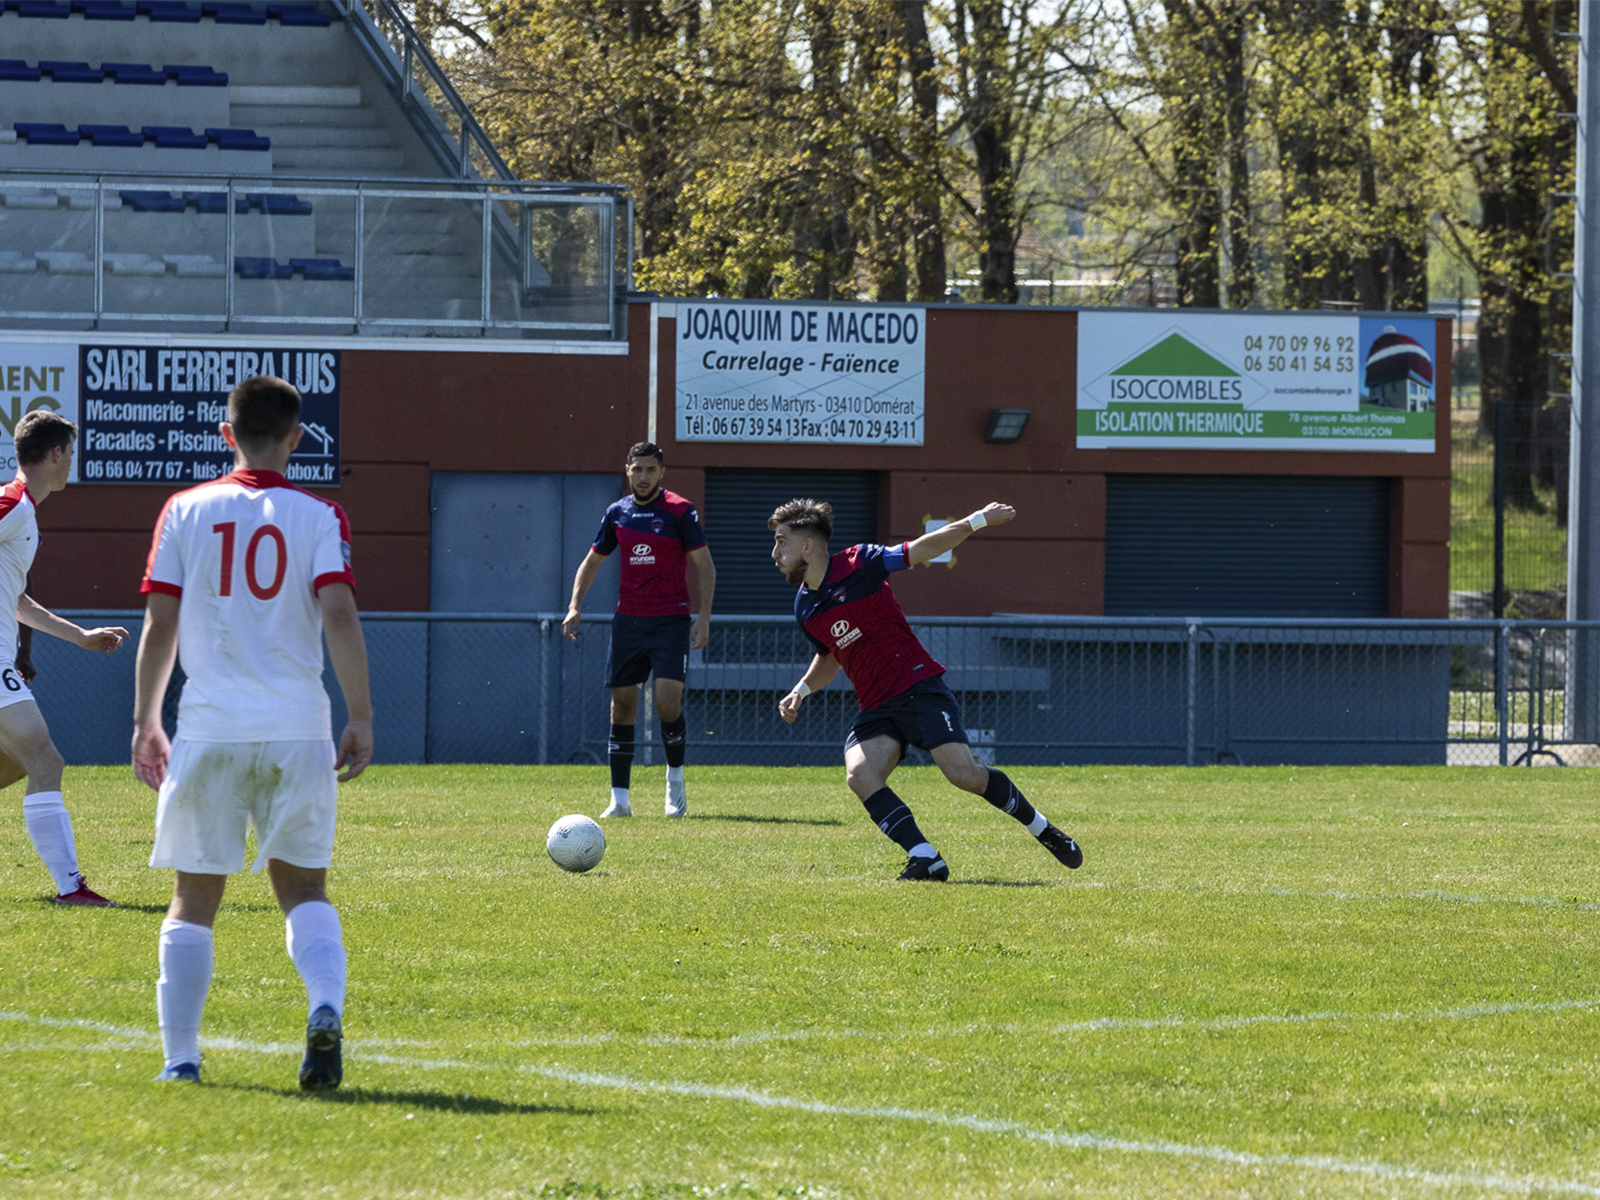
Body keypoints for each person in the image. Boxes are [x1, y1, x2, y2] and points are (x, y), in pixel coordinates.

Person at [132, 375, 374, 1089]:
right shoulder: (322, 516)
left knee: (194, 896)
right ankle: (324, 1006)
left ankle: (181, 1060)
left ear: (225, 432)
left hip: (210, 728)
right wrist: (359, 716)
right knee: (304, 889)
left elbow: (160, 624)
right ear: (297, 438)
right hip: (298, 728)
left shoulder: (184, 509)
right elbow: (339, 616)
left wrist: (147, 719)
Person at [770, 498, 1083, 882]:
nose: (775, 552)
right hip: (877, 706)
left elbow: (921, 549)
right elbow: (830, 656)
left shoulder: (860, 563)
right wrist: (801, 691)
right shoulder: (804, 606)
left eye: (782, 541)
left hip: (918, 686)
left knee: (964, 775)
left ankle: (1043, 829)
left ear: (807, 546)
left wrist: (977, 519)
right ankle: (925, 857)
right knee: (860, 774)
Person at [0, 412, 130, 906]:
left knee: (14, 765)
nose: (71, 462)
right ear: (55, 454)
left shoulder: (23, 513)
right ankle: (70, 888)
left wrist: (79, 637)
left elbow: (18, 601)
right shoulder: (13, 503)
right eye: (70, 453)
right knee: (44, 758)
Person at [563, 441, 715, 819]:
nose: (643, 477)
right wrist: (574, 606)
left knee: (667, 702)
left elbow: (705, 565)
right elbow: (591, 561)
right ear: (627, 471)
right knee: (623, 705)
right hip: (628, 621)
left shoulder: (680, 511)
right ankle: (619, 800)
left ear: (661, 473)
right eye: (637, 470)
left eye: (650, 470)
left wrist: (704, 616)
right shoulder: (617, 513)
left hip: (671, 620)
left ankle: (674, 782)